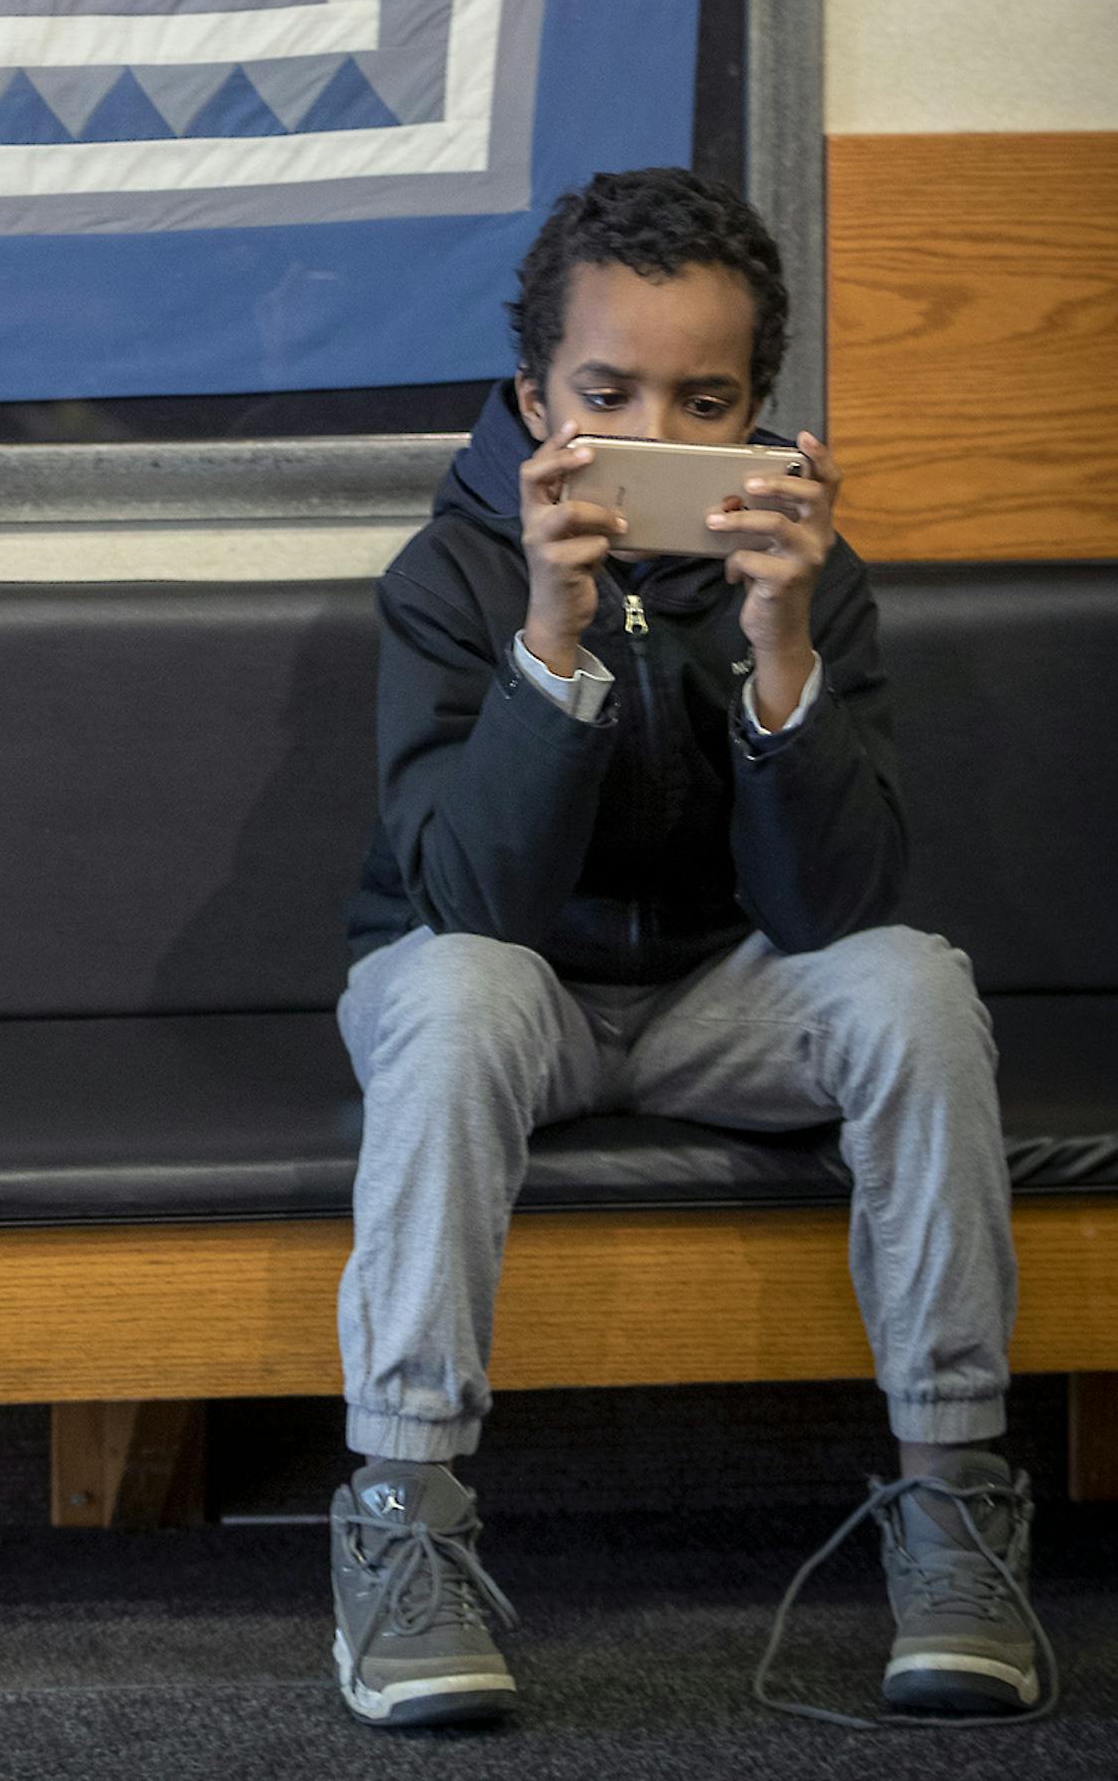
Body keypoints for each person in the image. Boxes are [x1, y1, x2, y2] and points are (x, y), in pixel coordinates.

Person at [330, 168, 1048, 1732]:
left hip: (720, 994)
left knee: (917, 978)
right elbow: (476, 902)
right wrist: (553, 632)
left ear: (760, 415)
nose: (654, 433)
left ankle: (951, 1501)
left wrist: (782, 648)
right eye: (609, 393)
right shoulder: (447, 580)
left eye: (701, 400)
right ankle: (402, 1516)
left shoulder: (804, 579)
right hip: (505, 986)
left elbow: (833, 910)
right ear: (535, 402)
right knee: (453, 992)